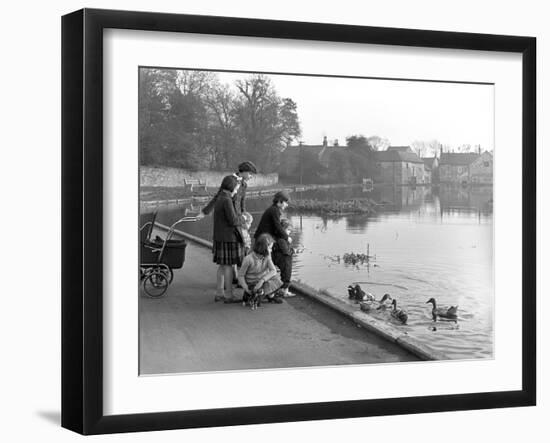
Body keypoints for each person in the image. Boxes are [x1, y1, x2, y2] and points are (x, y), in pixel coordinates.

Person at [254, 190, 295, 297]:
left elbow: (276, 228)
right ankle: (273, 291)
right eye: (286, 202)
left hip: (264, 239)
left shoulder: (273, 210)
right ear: (280, 201)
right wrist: (287, 238)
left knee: (264, 265)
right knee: (270, 264)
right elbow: (277, 227)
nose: (286, 205)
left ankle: (270, 290)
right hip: (263, 240)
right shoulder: (275, 211)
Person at [212, 175, 244, 303]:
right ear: (231, 187)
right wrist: (244, 219)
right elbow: (233, 220)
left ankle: (219, 293)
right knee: (229, 266)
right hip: (228, 238)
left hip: (220, 236)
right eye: (236, 187)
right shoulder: (226, 199)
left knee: (222, 266)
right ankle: (229, 295)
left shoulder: (221, 197)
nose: (237, 190)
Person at [237, 233, 284, 304]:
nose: (271, 250)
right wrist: (246, 288)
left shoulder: (267, 256)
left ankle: (270, 295)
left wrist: (262, 280)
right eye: (270, 248)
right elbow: (240, 275)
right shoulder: (248, 259)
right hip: (252, 282)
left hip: (262, 281)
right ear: (264, 248)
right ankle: (250, 294)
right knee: (257, 300)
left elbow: (273, 270)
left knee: (277, 276)